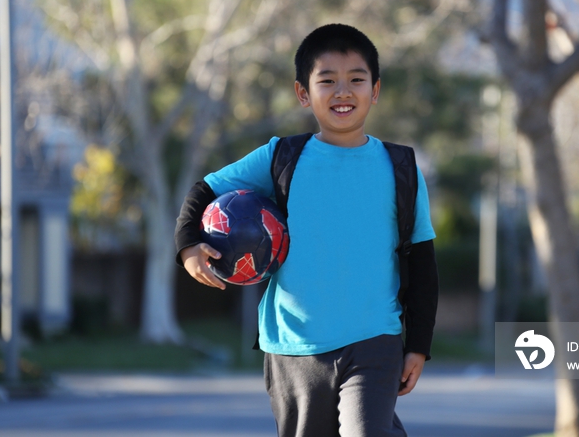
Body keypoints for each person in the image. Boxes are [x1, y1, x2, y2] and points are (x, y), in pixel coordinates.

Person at [175, 23, 439, 437]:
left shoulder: (401, 167)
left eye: (356, 79)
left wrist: (418, 344)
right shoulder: (280, 157)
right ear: (303, 93)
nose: (342, 91)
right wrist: (189, 244)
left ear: (376, 89)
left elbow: (423, 262)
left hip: (376, 338)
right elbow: (204, 190)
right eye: (327, 81)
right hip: (292, 346)